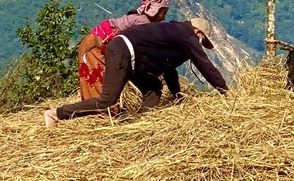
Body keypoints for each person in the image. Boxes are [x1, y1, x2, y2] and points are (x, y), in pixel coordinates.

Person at [44, 18, 228, 127]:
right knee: (107, 100)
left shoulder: (175, 33)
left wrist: (177, 95)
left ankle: (141, 124)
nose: (199, 44)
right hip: (123, 51)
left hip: (132, 57)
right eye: (201, 40)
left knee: (153, 87)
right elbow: (205, 65)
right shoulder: (186, 34)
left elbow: (169, 70)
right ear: (198, 32)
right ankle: (56, 114)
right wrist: (225, 91)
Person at [77, 0, 170, 101]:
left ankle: (99, 111)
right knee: (100, 84)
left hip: (97, 45)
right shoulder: (143, 23)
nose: (163, 17)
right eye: (162, 13)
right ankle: (99, 113)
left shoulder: (140, 18)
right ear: (155, 11)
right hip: (95, 48)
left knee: (101, 84)